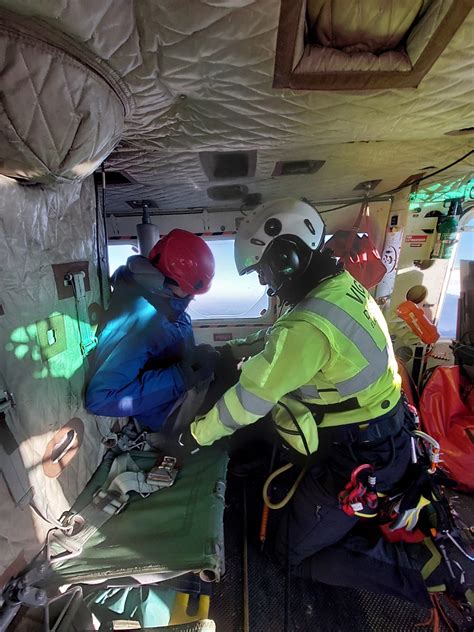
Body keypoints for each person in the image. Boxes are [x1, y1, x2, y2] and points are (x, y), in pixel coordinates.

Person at [176, 198, 439, 606]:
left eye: (263, 270)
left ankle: (422, 569)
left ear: (286, 257)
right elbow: (278, 342)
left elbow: (248, 401)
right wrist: (233, 351)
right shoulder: (340, 289)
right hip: (385, 435)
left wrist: (195, 436)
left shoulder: (307, 324)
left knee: (288, 554)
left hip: (357, 456)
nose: (265, 283)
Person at [85, 229, 217, 431]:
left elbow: (167, 351)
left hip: (180, 394)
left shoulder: (169, 302)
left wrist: (195, 359)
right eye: (188, 290)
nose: (191, 296)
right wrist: (180, 377)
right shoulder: (144, 323)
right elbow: (100, 399)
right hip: (168, 413)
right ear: (167, 280)